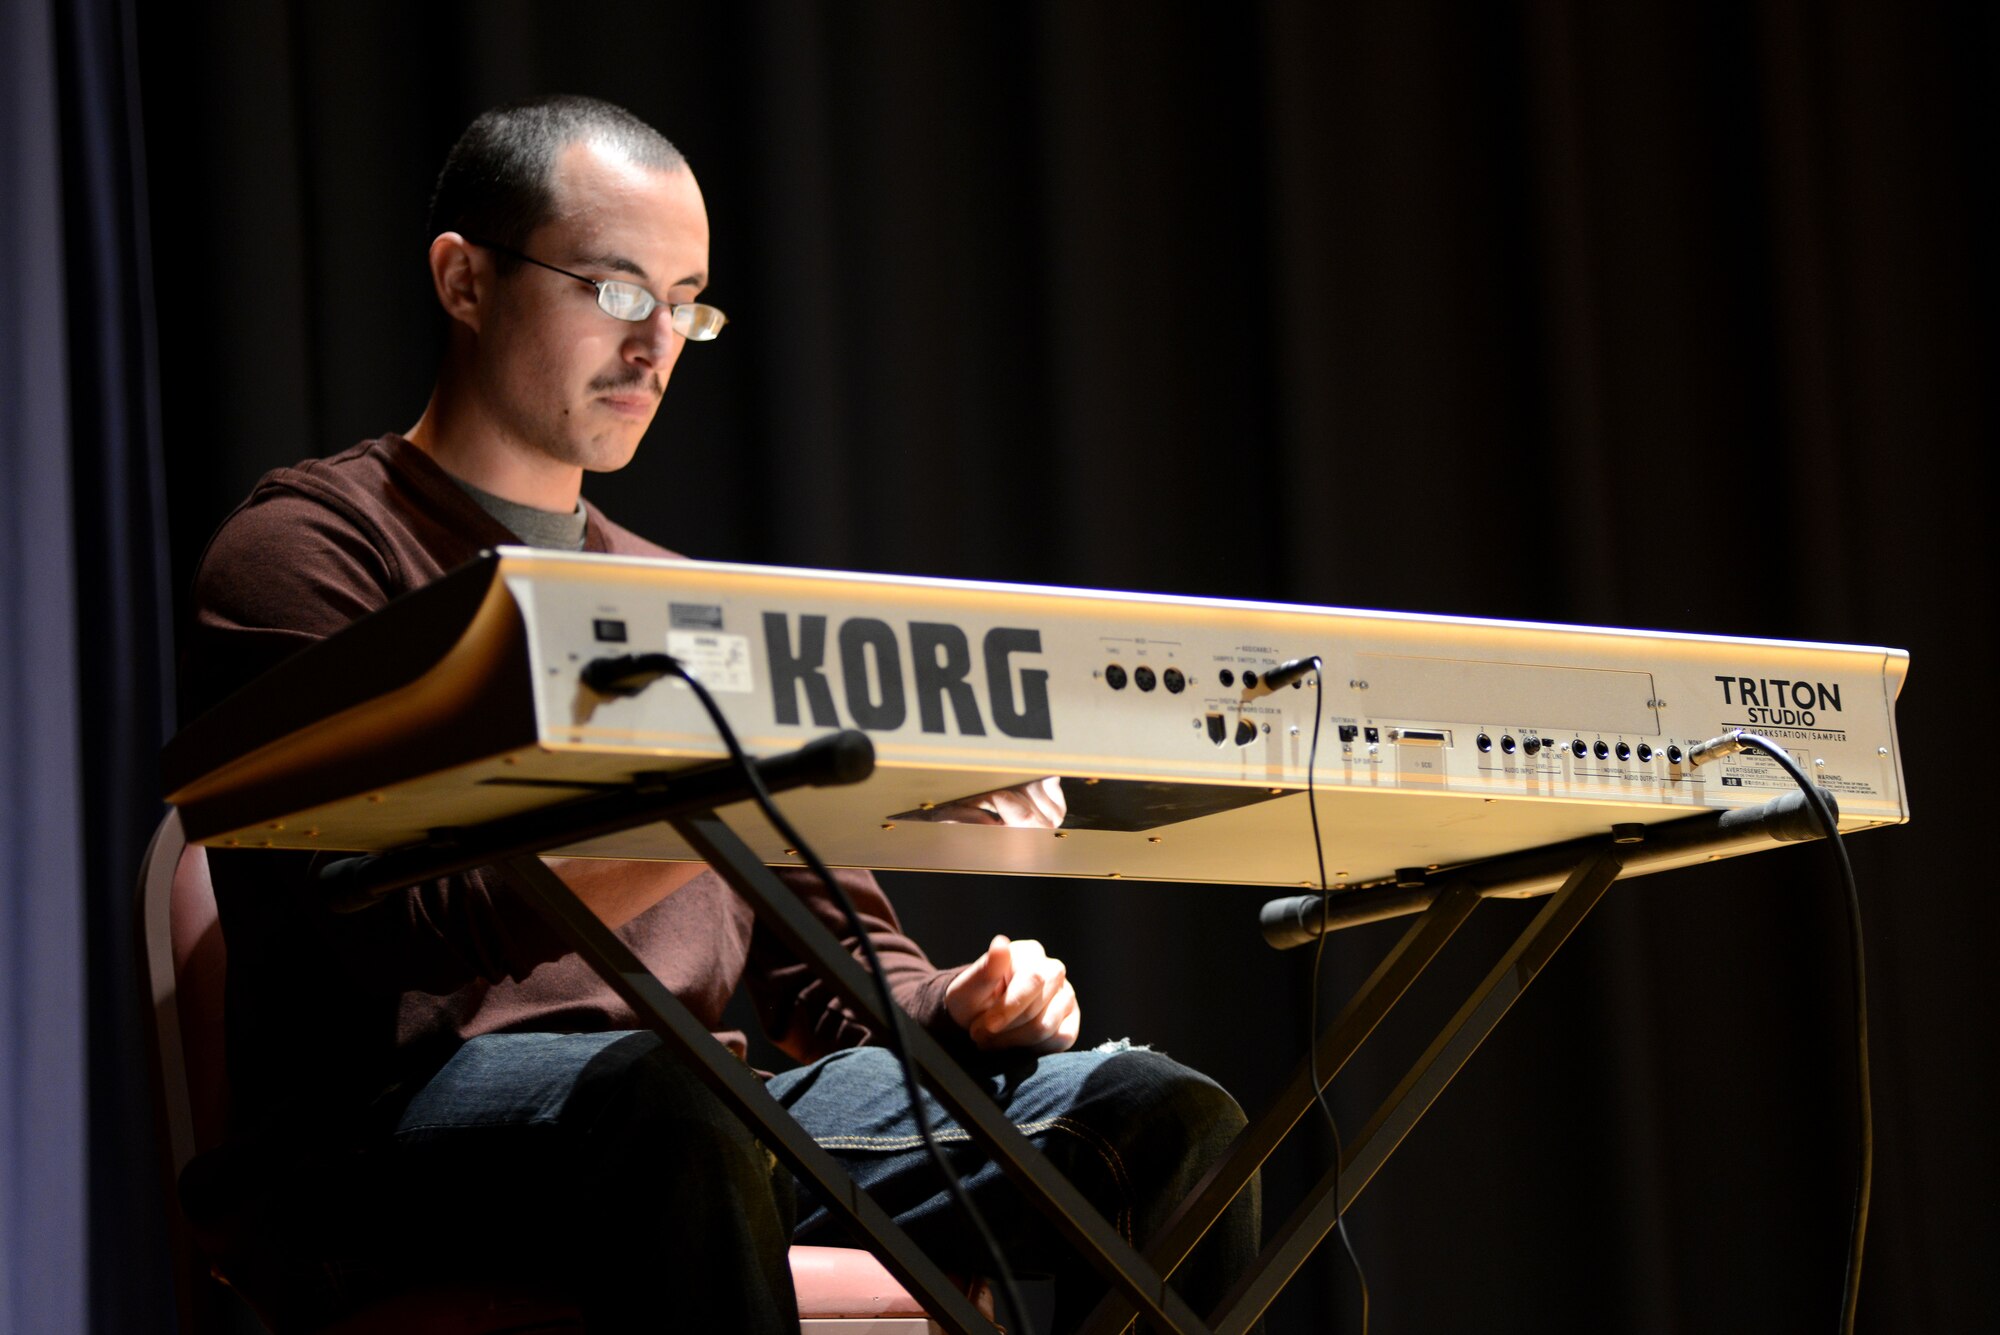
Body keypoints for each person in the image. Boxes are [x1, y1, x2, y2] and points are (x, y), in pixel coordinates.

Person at [182, 94, 1257, 1333]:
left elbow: (838, 976)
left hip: (675, 1120)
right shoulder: (304, 552)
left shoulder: (690, 614)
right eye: (618, 292)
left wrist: (955, 999)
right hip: (378, 1147)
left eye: (686, 304)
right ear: (464, 279)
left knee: (1161, 1122)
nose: (658, 347)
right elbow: (399, 922)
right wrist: (760, 785)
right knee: (669, 1107)